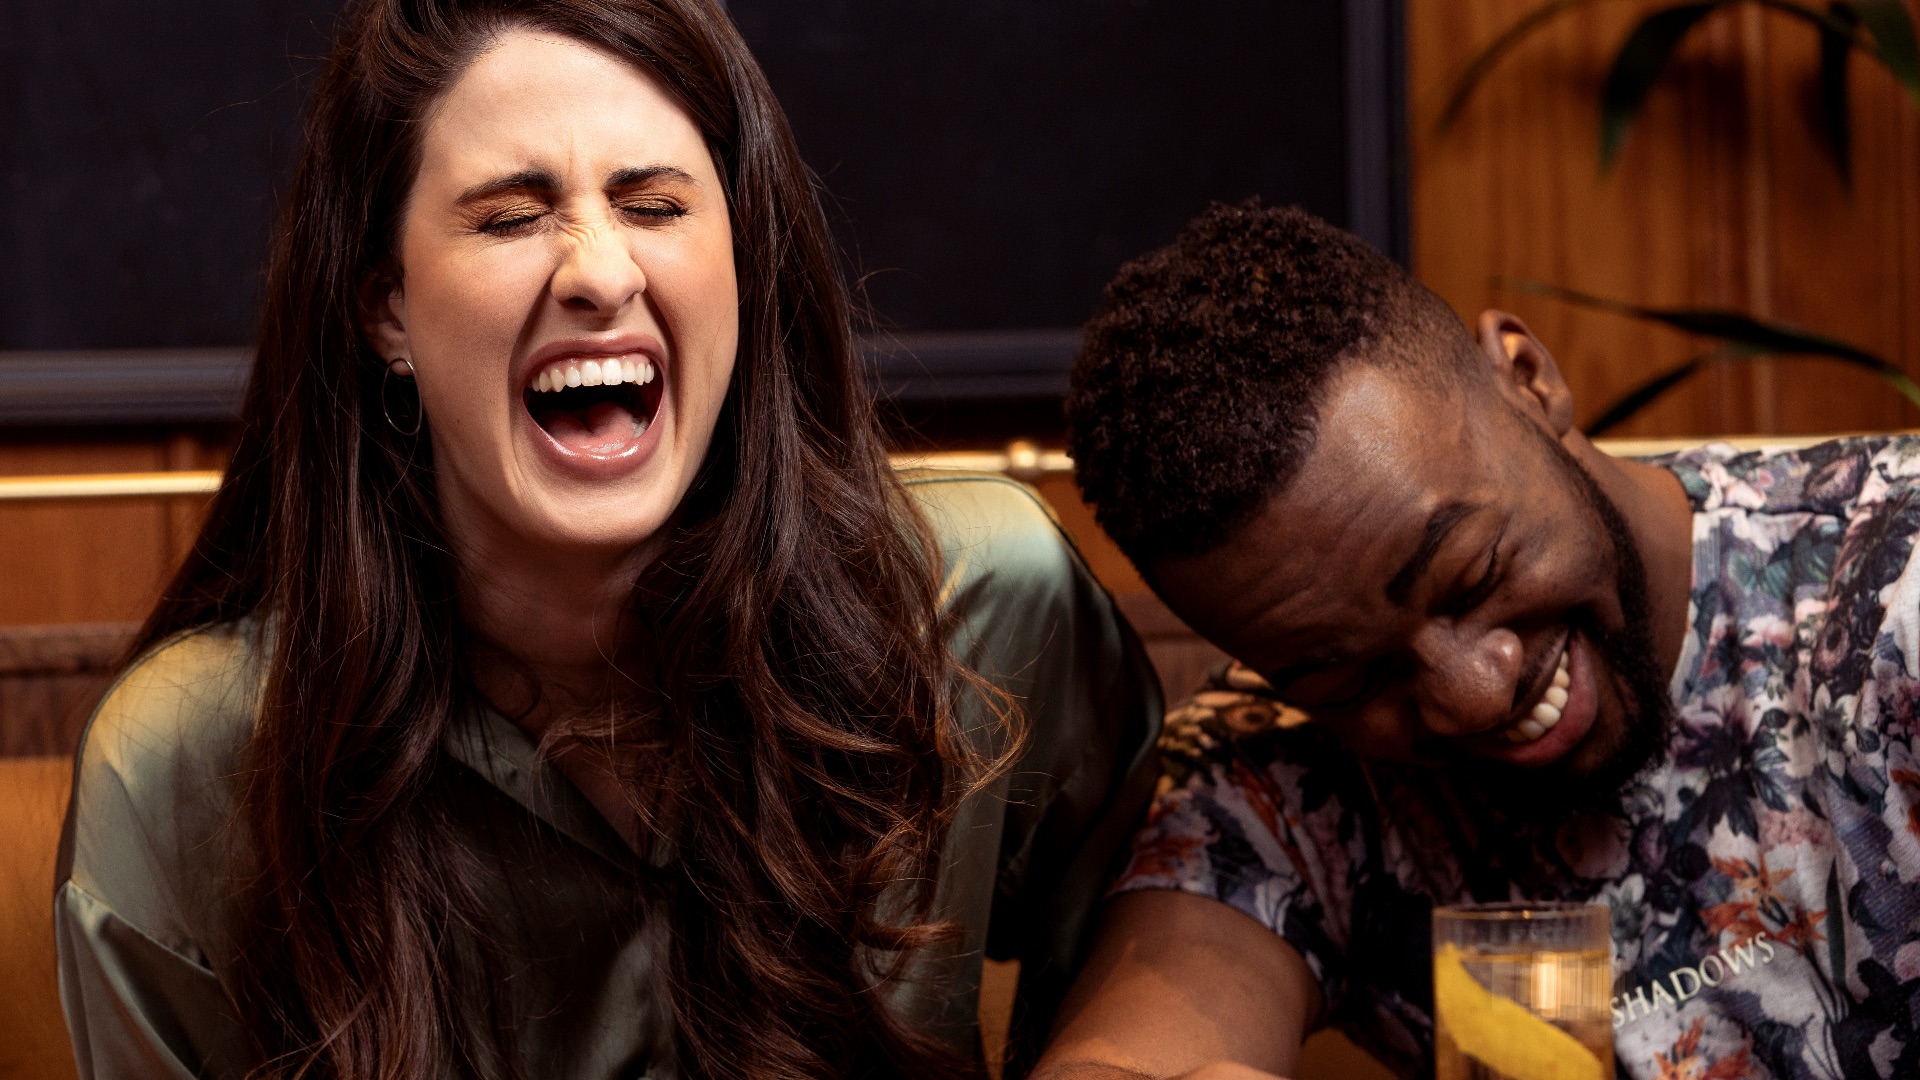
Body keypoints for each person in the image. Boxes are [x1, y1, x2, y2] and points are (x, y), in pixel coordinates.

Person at [54, 3, 1160, 1078]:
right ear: (387, 307)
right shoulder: (180, 774)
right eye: (511, 215)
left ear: (744, 265)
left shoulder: (982, 597)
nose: (600, 270)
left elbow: (1178, 894)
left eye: (655, 205)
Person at [1036, 202, 1920, 1080]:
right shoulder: (1285, 770)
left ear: (1530, 380)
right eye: (1357, 676)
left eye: (1472, 573)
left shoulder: (1893, 598)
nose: (1477, 692)